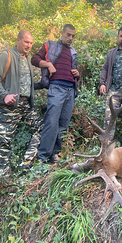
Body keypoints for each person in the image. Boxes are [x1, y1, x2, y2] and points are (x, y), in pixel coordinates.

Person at [0, 30, 43, 176]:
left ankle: (26, 162)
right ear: (18, 40)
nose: (29, 45)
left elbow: (25, 83)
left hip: (26, 106)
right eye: (26, 42)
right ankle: (4, 176)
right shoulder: (6, 56)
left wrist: (43, 84)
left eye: (31, 43)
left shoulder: (27, 58)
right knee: (5, 140)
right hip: (10, 105)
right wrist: (4, 96)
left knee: (42, 128)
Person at [31, 24, 80, 164]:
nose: (70, 38)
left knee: (63, 124)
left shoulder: (73, 52)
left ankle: (55, 154)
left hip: (70, 90)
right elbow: (34, 59)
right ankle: (42, 158)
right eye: (68, 35)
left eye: (73, 36)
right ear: (62, 33)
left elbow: (73, 72)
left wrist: (78, 75)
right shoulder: (50, 45)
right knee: (51, 122)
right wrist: (48, 64)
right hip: (56, 88)